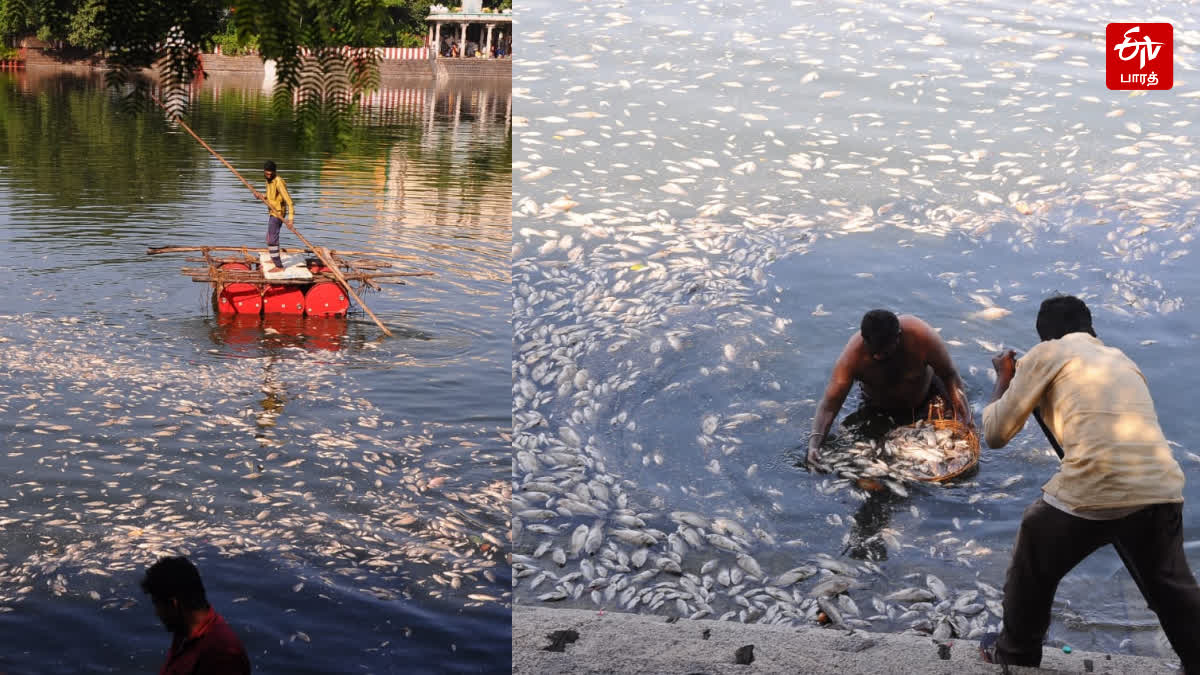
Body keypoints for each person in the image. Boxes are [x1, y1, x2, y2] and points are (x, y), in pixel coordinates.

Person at [979, 295, 1200, 671]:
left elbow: (995, 433)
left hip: (1094, 486)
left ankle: (1014, 654)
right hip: (1161, 488)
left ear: (1045, 337)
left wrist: (1005, 378)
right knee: (1171, 589)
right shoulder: (1123, 360)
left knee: (1033, 550)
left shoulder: (1046, 353)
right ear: (1090, 328)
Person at [807, 309, 971, 470]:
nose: (878, 357)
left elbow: (949, 375)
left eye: (884, 353)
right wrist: (815, 444)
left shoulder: (921, 336)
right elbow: (829, 405)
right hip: (879, 409)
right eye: (874, 353)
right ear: (864, 340)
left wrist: (966, 418)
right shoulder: (852, 358)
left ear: (898, 337)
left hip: (926, 399)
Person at [141, 556, 251, 675]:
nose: (157, 614)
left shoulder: (222, 655)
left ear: (174, 604)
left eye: (157, 605)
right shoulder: (184, 633)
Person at [252, 160, 293, 273]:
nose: (268, 176)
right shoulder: (268, 181)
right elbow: (271, 197)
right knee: (269, 237)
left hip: (278, 213)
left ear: (274, 172)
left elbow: (289, 201)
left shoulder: (278, 182)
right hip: (272, 211)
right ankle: (274, 258)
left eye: (270, 174)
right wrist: (261, 196)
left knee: (272, 240)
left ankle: (279, 266)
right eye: (266, 174)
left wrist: (290, 219)